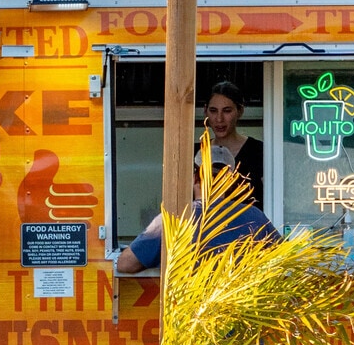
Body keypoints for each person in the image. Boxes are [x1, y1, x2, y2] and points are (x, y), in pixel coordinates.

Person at [115, 161, 279, 274]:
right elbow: (283, 262)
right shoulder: (254, 216)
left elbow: (126, 264)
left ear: (194, 178)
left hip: (191, 318)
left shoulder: (176, 217)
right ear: (231, 181)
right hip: (241, 318)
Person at [203, 80, 263, 190]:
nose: (219, 119)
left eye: (227, 111)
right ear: (205, 111)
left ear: (240, 111)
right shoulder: (196, 153)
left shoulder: (259, 152)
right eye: (213, 111)